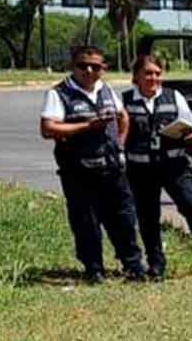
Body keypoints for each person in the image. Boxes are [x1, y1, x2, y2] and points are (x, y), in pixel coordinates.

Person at [122, 54, 192, 278]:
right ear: (136, 76)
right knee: (147, 216)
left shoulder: (174, 97)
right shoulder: (125, 100)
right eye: (147, 73)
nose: (153, 77)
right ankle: (156, 264)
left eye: (157, 73)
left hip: (174, 165)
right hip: (141, 170)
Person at [39, 44, 144, 282]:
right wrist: (86, 126)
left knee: (124, 218)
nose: (88, 70)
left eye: (95, 66)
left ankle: (133, 265)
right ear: (72, 67)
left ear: (103, 68)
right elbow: (48, 128)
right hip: (79, 171)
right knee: (87, 222)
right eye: (82, 66)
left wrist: (120, 143)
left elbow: (122, 116)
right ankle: (94, 268)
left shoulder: (106, 89)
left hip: (112, 168)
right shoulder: (59, 93)